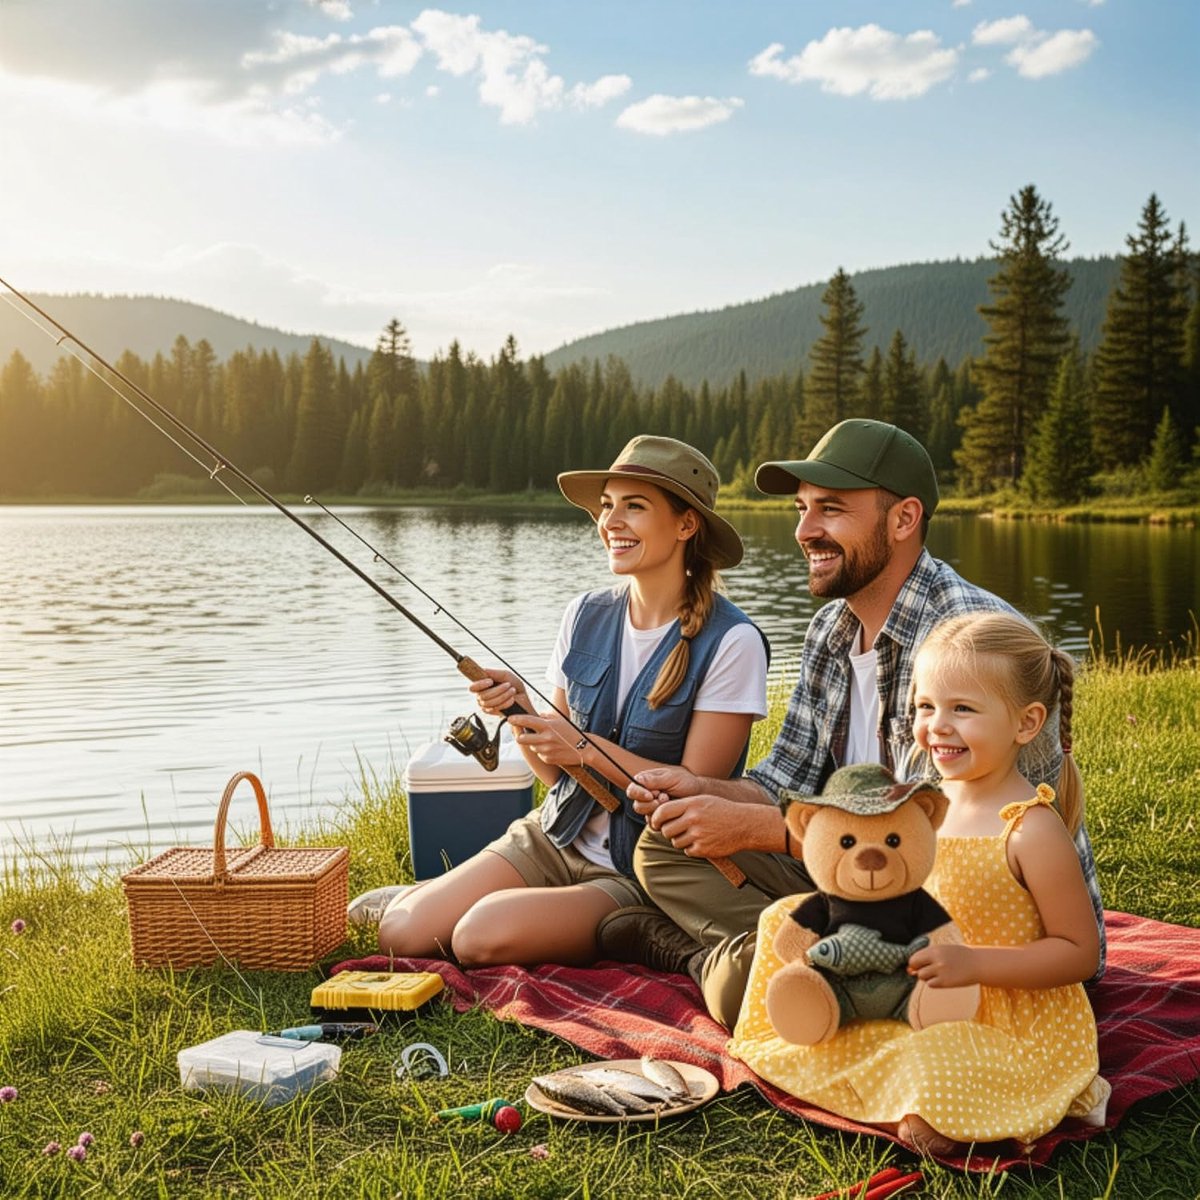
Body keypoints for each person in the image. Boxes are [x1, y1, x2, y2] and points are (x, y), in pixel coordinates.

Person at [603, 418, 1105, 1028]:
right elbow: (785, 777)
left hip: (958, 929)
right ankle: (791, 954)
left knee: (746, 991)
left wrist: (754, 828)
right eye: (802, 508)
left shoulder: (965, 643)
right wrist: (703, 792)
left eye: (831, 509)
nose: (804, 530)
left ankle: (714, 960)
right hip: (865, 878)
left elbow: (934, 843)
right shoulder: (831, 626)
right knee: (664, 844)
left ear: (903, 520)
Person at [354, 435, 769, 967]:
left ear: (687, 524)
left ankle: (629, 927)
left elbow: (688, 806)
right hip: (553, 835)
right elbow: (556, 778)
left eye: (634, 506)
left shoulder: (733, 642)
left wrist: (585, 747)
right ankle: (424, 900)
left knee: (477, 937)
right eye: (606, 507)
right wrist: (523, 712)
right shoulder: (584, 614)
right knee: (400, 933)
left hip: (638, 871)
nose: (611, 522)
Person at [727, 612, 1110, 1156]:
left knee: (935, 1065)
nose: (936, 725)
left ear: (1026, 724)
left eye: (963, 709)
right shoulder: (925, 807)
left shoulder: (1030, 828)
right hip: (914, 983)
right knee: (780, 920)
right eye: (926, 706)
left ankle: (923, 1100)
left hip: (1007, 1016)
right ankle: (817, 1031)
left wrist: (974, 964)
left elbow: (1078, 952)